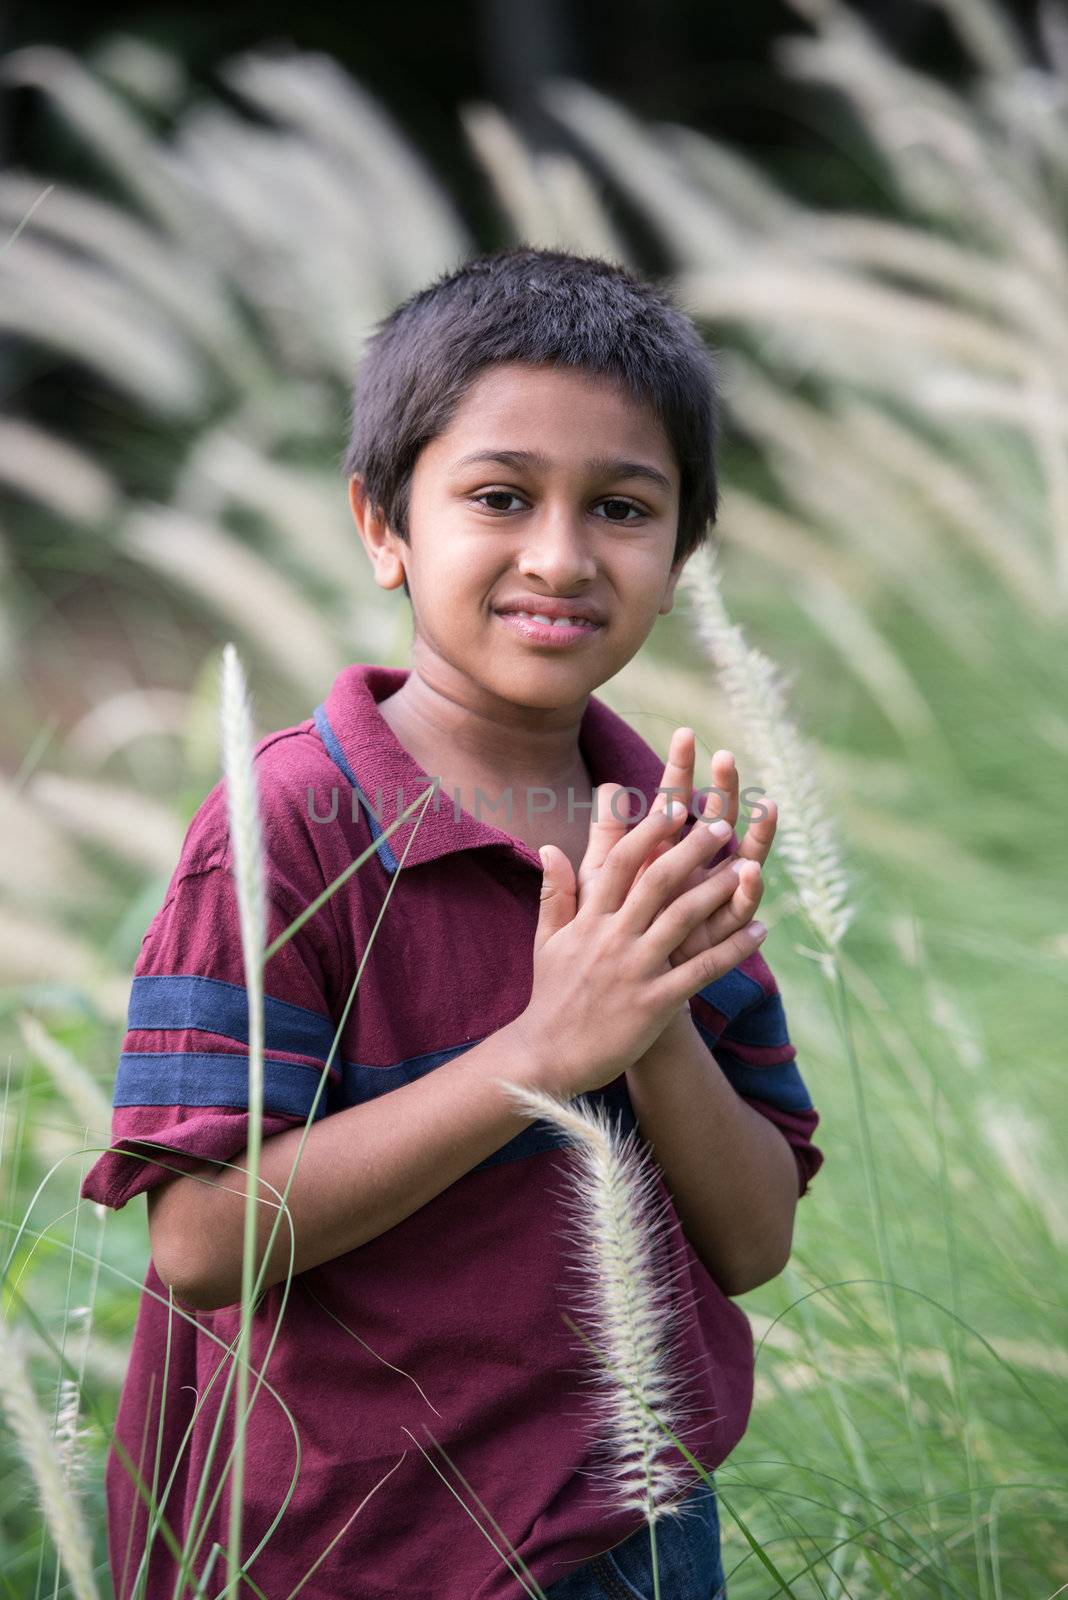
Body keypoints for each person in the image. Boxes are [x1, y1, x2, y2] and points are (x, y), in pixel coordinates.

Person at [81, 245, 825, 1600]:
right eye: (498, 496)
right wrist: (541, 1053)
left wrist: (643, 1023)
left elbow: (754, 1239)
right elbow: (196, 1242)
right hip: (355, 1553)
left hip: (636, 1532)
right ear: (382, 524)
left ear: (682, 553)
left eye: (621, 507)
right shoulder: (292, 827)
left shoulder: (664, 833)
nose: (560, 554)